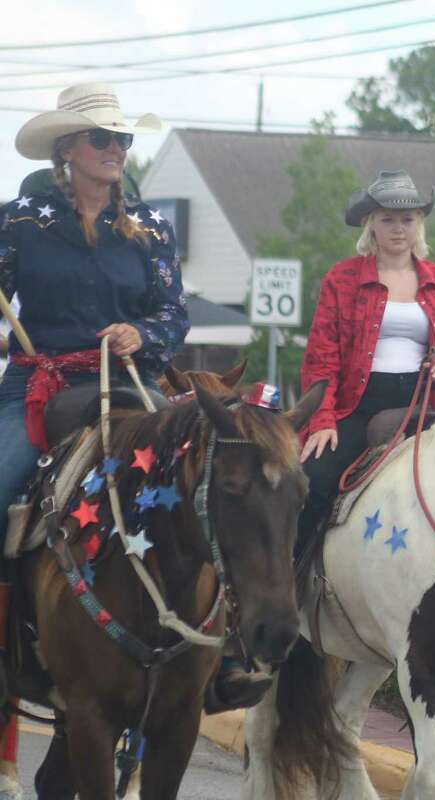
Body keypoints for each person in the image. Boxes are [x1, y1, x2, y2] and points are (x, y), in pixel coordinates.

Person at [0, 82, 186, 788]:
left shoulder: (152, 226)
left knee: (208, 485)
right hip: (38, 385)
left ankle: (224, 654)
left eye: (123, 140)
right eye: (103, 140)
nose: (117, 151)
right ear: (67, 150)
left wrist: (145, 332)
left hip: (132, 382)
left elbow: (174, 312)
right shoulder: (19, 221)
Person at [297, 170, 435, 554]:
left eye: (407, 219)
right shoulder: (341, 279)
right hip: (355, 407)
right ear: (370, 224)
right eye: (387, 219)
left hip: (424, 405)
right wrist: (322, 420)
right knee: (310, 481)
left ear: (419, 224)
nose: (398, 228)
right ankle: (295, 578)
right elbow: (320, 360)